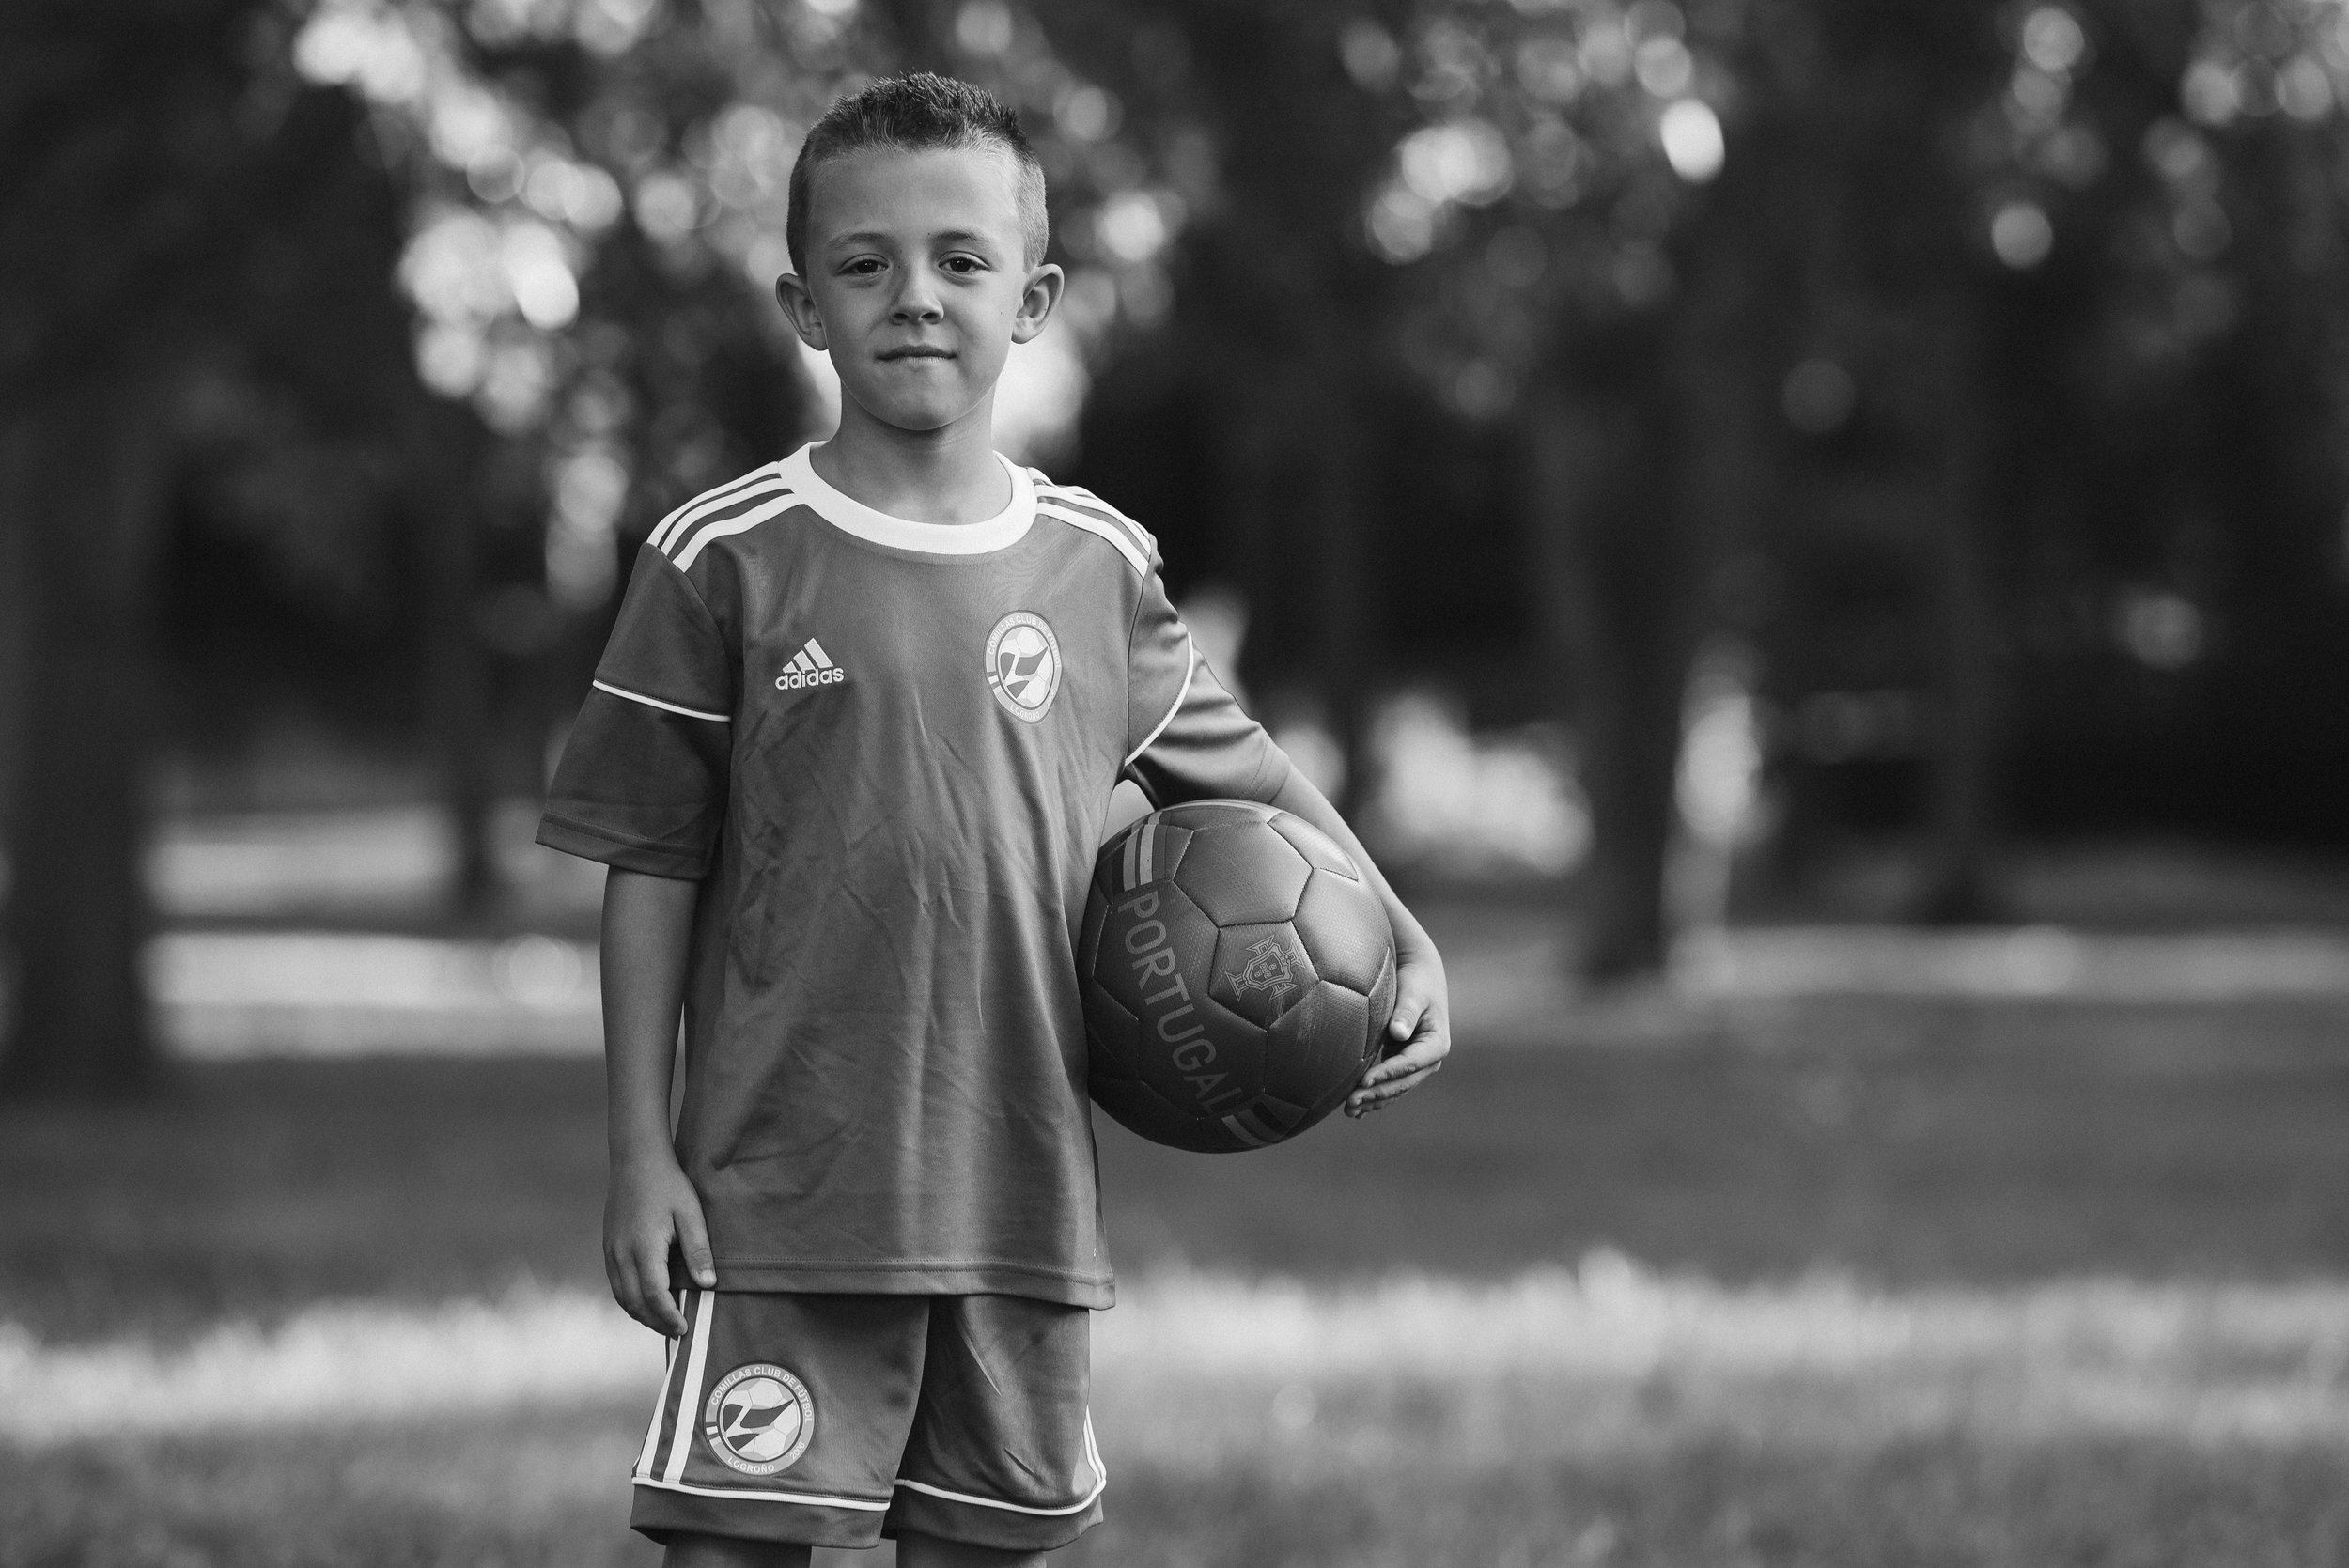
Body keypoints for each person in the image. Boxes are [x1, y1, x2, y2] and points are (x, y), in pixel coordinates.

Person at [537, 72, 1451, 1568]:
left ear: (1033, 299)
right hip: (778, 1198)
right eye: (864, 262)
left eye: (962, 261)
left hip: (1019, 1196)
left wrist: (1402, 934)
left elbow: (1252, 778)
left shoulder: (1094, 566)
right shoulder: (720, 559)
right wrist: (640, 1152)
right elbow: (650, 866)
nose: (915, 296)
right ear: (801, 302)